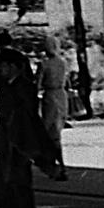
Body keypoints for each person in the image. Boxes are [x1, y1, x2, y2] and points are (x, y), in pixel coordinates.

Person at [0, 48, 51, 208]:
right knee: (3, 184)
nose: (0, 69)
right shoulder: (4, 87)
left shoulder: (25, 87)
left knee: (19, 184)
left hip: (19, 142)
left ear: (14, 67)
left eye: (4, 65)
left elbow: (27, 117)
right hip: (4, 141)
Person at [37, 43, 70, 179]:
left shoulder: (44, 64)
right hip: (61, 96)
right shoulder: (63, 63)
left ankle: (54, 164)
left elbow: (38, 84)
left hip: (49, 97)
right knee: (56, 131)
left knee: (48, 131)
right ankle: (59, 164)